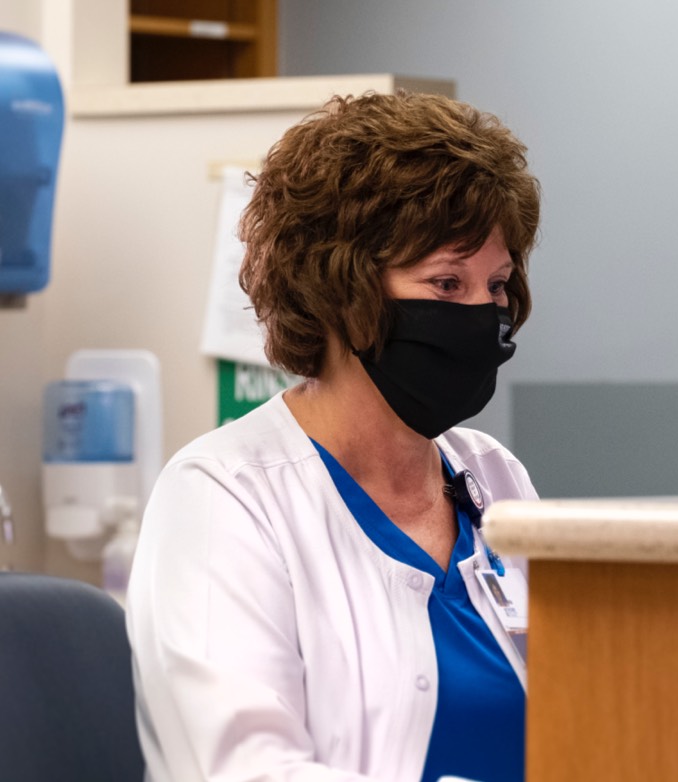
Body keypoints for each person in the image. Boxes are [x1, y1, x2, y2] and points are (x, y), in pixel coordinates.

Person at [126, 91, 541, 782]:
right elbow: (245, 770)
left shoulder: (494, 479)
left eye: (496, 285)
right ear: (340, 290)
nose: (482, 315)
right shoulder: (224, 497)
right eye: (446, 283)